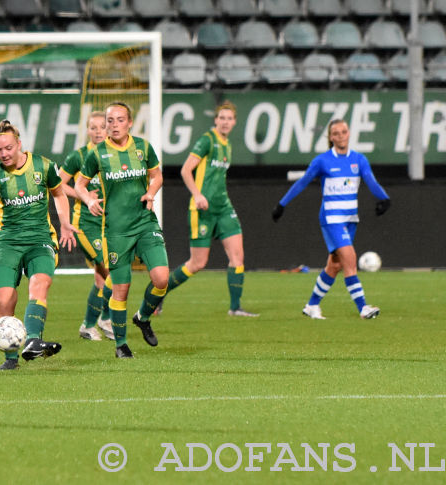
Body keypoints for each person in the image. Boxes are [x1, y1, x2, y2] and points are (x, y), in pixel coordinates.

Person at [0, 119, 77, 371]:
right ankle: (10, 360)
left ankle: (33, 341)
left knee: (40, 284)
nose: (4, 154)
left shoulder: (43, 166)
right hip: (8, 242)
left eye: (8, 148)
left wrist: (65, 223)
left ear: (19, 144)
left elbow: (60, 194)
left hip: (40, 239)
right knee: (4, 301)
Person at [74, 101, 168, 358]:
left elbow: (157, 175)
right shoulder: (97, 153)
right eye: (110, 120)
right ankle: (121, 345)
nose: (114, 125)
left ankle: (143, 317)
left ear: (130, 122)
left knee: (161, 279)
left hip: (145, 223)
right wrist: (89, 200)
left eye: (119, 120)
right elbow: (80, 184)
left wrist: (150, 192)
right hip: (116, 230)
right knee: (120, 288)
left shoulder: (143, 147)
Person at [272, 118, 390, 320]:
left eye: (343, 131)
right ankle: (363, 308)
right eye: (336, 133)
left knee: (335, 265)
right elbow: (302, 183)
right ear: (330, 137)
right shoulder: (322, 161)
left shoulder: (359, 160)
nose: (341, 136)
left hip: (350, 218)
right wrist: (282, 204)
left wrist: (384, 198)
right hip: (331, 218)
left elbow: (371, 180)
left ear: (349, 133)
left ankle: (311, 306)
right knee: (350, 260)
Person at [157, 101, 259, 319]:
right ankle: (159, 294)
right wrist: (197, 194)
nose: (225, 122)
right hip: (202, 209)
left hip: (223, 207)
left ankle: (235, 308)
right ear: (215, 120)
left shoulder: (227, 143)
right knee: (197, 263)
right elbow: (186, 170)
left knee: (237, 257)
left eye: (229, 118)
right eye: (222, 118)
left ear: (234, 122)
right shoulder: (207, 140)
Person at [58, 111, 114, 341]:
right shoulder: (78, 156)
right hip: (85, 225)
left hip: (109, 224)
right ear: (88, 130)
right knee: (114, 271)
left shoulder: (114, 155)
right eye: (93, 127)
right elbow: (58, 185)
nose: (98, 131)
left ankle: (89, 326)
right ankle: (104, 318)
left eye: (102, 126)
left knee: (102, 278)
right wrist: (82, 196)